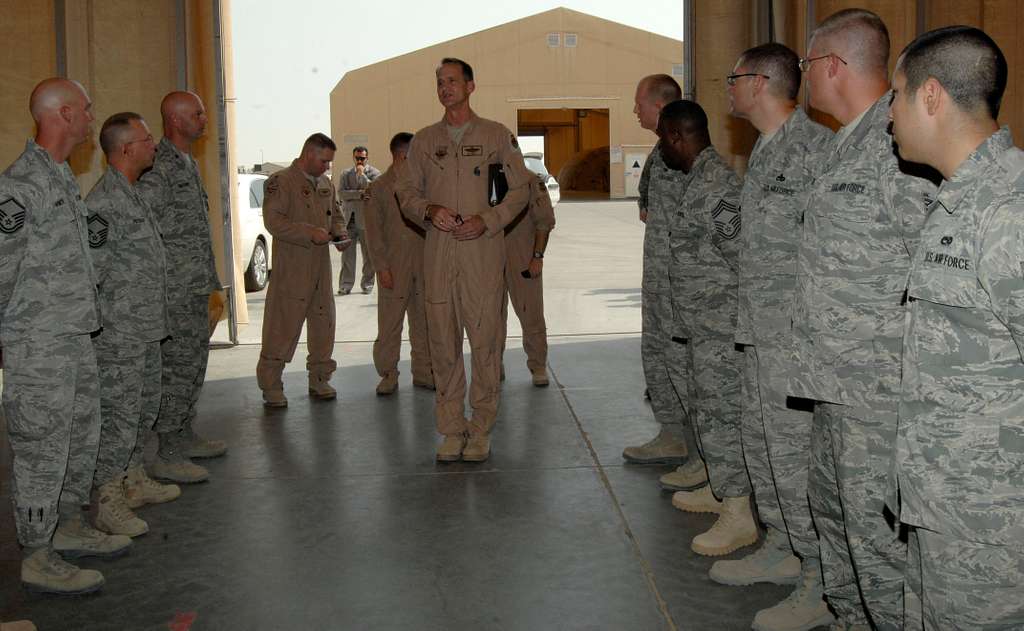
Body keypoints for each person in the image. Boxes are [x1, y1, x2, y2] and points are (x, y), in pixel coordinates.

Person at [788, 9, 936, 630]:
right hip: (832, 384)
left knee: (878, 546)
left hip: (877, 392)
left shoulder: (900, 149)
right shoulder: (842, 144)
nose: (804, 78)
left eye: (806, 65)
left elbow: (933, 276)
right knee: (837, 522)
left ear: (833, 66)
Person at [888, 25, 1024, 630]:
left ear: (932, 96)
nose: (889, 116)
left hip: (992, 528)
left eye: (896, 97)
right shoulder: (960, 200)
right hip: (941, 505)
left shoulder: (1007, 212)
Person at [713, 43, 835, 631]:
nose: (727, 88)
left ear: (760, 82)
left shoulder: (817, 151)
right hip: (757, 335)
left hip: (794, 344)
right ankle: (784, 547)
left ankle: (820, 582)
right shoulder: (765, 150)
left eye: (733, 78)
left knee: (795, 464)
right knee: (765, 456)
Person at [0, 78, 131, 595]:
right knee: (42, 448)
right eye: (86, 109)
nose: (92, 116)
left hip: (74, 336)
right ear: (63, 114)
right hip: (38, 345)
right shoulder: (19, 186)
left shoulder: (59, 178)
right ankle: (37, 553)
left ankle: (70, 526)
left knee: (79, 440)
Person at [396, 57, 532, 462]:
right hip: (438, 253)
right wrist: (428, 210)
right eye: (440, 82)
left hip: (482, 254)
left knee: (485, 343)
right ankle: (452, 429)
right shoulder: (422, 141)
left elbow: (519, 191)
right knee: (443, 343)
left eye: (453, 81)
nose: (445, 88)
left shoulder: (495, 136)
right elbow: (405, 192)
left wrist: (487, 221)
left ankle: (481, 428)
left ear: (471, 86)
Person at [655, 99, 756, 558]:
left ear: (677, 136)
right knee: (706, 412)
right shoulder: (697, 180)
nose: (661, 149)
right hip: (701, 328)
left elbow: (742, 258)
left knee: (720, 417)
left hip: (720, 331)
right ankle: (720, 488)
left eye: (663, 138)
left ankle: (737, 513)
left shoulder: (717, 186)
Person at [86, 112, 180, 539]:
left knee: (142, 410)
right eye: (146, 139)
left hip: (145, 328)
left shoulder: (133, 194)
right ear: (126, 149)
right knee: (119, 417)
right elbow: (93, 271)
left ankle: (134, 480)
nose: (153, 145)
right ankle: (109, 501)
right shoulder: (104, 202)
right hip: (120, 333)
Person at [622, 75, 707, 495]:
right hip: (657, 276)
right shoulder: (660, 153)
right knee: (657, 356)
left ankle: (699, 453)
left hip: (679, 280)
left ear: (659, 106)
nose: (634, 111)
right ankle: (672, 433)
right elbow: (647, 208)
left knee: (682, 364)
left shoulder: (685, 154)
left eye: (639, 103)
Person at [138, 91, 227, 485]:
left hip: (193, 289)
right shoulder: (160, 167)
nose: (205, 119)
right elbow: (142, 225)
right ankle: (167, 452)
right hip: (174, 292)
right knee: (175, 372)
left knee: (193, 367)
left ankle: (184, 434)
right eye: (197, 113)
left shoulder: (187, 164)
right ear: (174, 120)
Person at [256, 133, 347, 407]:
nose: (327, 167)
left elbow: (337, 215)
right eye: (324, 160)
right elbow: (274, 222)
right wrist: (309, 233)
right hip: (292, 269)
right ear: (309, 154)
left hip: (320, 268)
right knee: (281, 326)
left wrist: (340, 234)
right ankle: (271, 385)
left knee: (323, 324)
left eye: (330, 162)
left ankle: (320, 378)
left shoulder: (326, 184)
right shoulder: (281, 182)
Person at [362, 132, 433, 395]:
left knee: (423, 321)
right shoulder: (378, 189)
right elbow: (373, 232)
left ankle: (424, 372)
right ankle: (388, 374)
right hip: (394, 266)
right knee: (390, 324)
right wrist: (381, 267)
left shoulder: (422, 187)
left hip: (423, 265)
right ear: (402, 155)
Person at [499, 171, 555, 387]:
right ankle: (493, 364)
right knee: (490, 316)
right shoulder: (480, 177)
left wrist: (537, 257)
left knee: (530, 311)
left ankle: (538, 364)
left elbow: (544, 221)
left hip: (522, 256)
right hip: (489, 257)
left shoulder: (530, 180)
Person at [336, 145, 380, 295]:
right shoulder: (345, 174)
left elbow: (374, 191)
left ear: (367, 158)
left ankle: (367, 284)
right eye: (357, 158)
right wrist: (361, 194)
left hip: (366, 220)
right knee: (347, 255)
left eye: (362, 158)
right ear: (353, 157)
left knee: (368, 255)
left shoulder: (374, 173)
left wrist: (363, 177)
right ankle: (345, 285)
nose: (360, 161)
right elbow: (342, 193)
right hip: (349, 219)